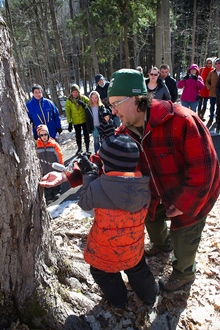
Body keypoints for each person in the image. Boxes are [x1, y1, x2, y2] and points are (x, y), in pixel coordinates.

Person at [39, 69, 220, 293]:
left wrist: (183, 203)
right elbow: (100, 159)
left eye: (116, 103)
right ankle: (162, 246)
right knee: (152, 222)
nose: (111, 110)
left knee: (184, 239)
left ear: (137, 99)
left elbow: (206, 171)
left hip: (190, 196)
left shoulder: (182, 121)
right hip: (155, 195)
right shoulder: (125, 131)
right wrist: (67, 176)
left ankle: (184, 273)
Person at [76, 135, 157, 308]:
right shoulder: (143, 186)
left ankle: (119, 300)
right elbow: (120, 186)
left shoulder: (97, 186)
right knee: (137, 268)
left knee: (101, 273)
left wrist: (89, 175)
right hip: (133, 247)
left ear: (107, 165)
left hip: (104, 252)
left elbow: (84, 203)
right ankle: (150, 295)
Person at [36, 124, 64, 204]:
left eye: (45, 134)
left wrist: (61, 166)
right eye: (42, 135)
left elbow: (60, 155)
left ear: (48, 134)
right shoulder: (37, 145)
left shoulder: (53, 144)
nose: (44, 136)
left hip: (54, 168)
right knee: (46, 181)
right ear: (39, 135)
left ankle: (57, 191)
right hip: (43, 168)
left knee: (55, 180)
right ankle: (48, 194)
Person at [65, 84, 90, 155]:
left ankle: (87, 148)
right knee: (78, 135)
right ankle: (79, 148)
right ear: (71, 93)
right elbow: (68, 112)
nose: (75, 94)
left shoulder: (83, 98)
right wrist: (69, 122)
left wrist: (84, 105)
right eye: (73, 92)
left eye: (76, 92)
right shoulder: (69, 101)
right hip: (76, 121)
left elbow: (90, 104)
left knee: (86, 134)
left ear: (78, 92)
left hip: (84, 120)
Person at [205, 58, 220, 126]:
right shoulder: (212, 73)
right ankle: (211, 118)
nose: (217, 65)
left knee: (218, 107)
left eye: (219, 64)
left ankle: (217, 119)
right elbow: (207, 81)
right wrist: (209, 87)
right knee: (212, 106)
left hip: (219, 94)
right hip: (212, 93)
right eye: (216, 64)